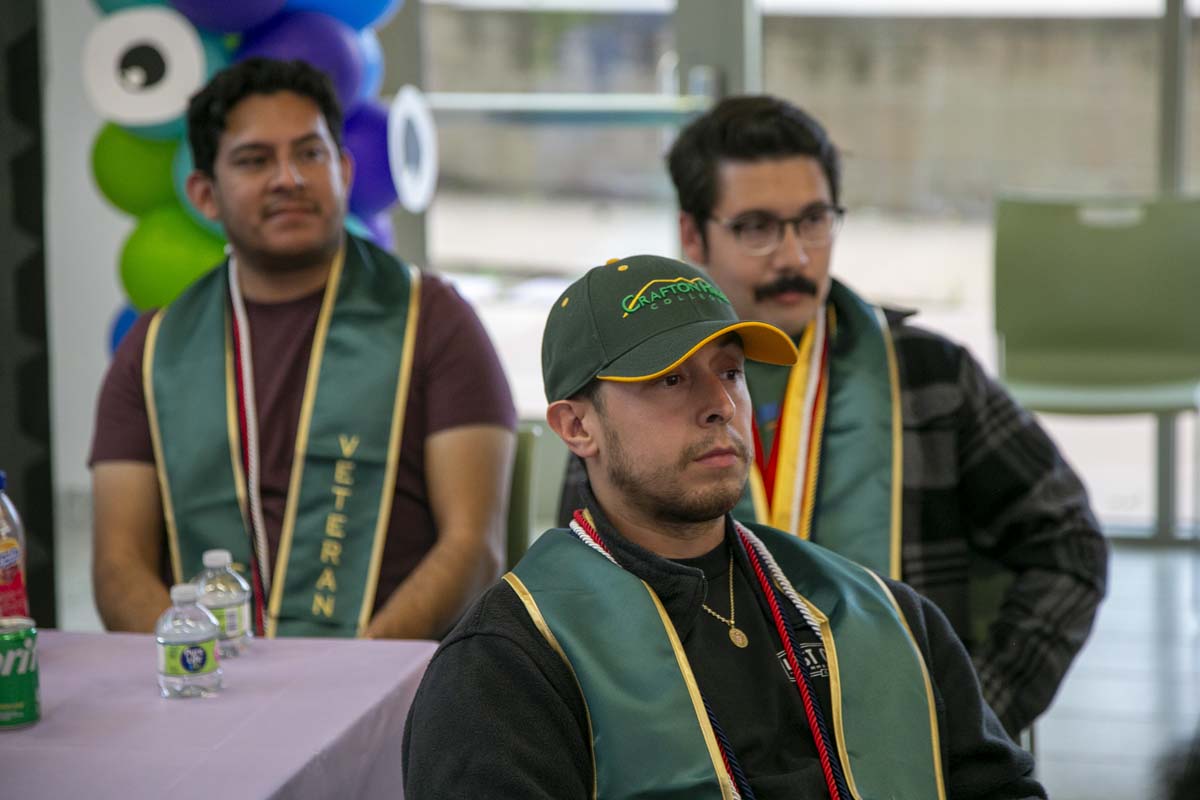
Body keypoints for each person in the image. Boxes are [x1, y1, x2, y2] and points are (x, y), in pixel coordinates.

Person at [404, 254, 1046, 799]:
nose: (719, 405)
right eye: (670, 378)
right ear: (577, 426)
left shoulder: (885, 615)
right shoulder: (506, 667)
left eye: (731, 372)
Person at [659, 94, 1108, 736]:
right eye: (757, 227)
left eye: (813, 220)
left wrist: (972, 717)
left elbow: (1070, 545)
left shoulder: (930, 378)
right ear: (692, 234)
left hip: (901, 745)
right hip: (702, 749)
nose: (794, 257)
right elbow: (593, 576)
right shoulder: (640, 388)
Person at [89, 58, 515, 639]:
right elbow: (119, 567)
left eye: (310, 154)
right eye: (254, 160)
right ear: (205, 195)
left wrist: (352, 682)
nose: (287, 178)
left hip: (393, 684)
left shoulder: (431, 318)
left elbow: (473, 547)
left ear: (342, 170)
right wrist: (194, 664)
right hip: (210, 692)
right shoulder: (156, 348)